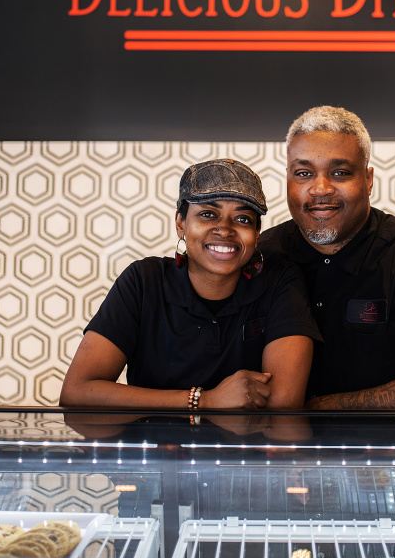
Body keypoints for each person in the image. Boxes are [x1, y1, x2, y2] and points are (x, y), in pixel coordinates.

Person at [258, 106, 395, 409]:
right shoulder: (260, 257)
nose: (320, 189)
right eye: (303, 173)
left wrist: (325, 409)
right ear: (287, 179)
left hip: (391, 454)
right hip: (276, 453)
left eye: (340, 172)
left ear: (368, 180)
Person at [60, 159, 318, 411]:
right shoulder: (143, 281)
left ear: (257, 234)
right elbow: (77, 392)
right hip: (154, 450)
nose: (225, 230)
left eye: (242, 220)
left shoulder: (279, 281)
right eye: (208, 214)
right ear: (181, 223)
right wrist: (205, 401)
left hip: (243, 452)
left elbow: (284, 405)